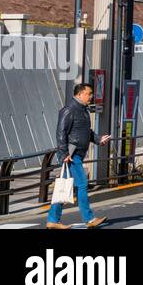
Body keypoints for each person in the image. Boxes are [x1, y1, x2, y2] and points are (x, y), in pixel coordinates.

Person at [46, 82, 111, 230]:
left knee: (64, 187)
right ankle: (89, 219)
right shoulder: (69, 110)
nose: (91, 96)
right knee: (82, 184)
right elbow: (60, 132)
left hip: (76, 154)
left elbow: (86, 131)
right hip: (71, 154)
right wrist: (64, 153)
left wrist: (98, 139)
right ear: (80, 94)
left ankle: (52, 220)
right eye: (89, 93)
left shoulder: (83, 110)